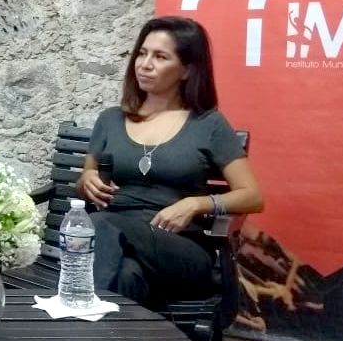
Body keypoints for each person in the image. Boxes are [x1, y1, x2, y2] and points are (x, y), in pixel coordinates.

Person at [76, 16, 263, 309]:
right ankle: (110, 336)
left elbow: (252, 196)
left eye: (160, 57)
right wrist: (86, 180)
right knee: (126, 275)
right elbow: (86, 180)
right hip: (114, 244)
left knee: (100, 224)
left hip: (180, 248)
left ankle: (75, 317)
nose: (144, 64)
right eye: (142, 53)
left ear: (187, 70)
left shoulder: (208, 124)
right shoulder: (110, 120)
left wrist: (195, 204)